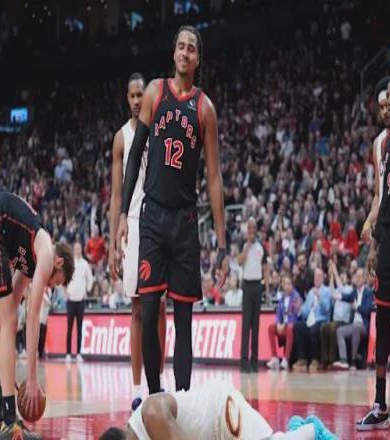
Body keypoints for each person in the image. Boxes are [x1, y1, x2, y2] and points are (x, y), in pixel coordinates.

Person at [116, 25, 227, 395]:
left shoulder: (205, 108)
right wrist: (122, 216)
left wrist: (222, 245)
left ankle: (183, 400)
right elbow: (135, 156)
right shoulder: (154, 91)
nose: (185, 52)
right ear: (174, 53)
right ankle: (153, 397)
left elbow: (214, 177)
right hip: (152, 216)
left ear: (197, 60)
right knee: (148, 313)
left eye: (191, 48)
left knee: (183, 319)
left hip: (184, 221)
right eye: (180, 46)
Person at [0, 190, 74, 440]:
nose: (50, 286)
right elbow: (32, 319)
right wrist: (31, 379)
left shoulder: (29, 262)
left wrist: (6, 371)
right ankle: (10, 422)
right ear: (58, 263)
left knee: (1, 322)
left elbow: (11, 305)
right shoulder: (46, 253)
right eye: (55, 282)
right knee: (9, 321)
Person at [108, 73, 167, 409]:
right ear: (126, 98)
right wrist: (113, 241)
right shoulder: (121, 138)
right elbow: (116, 194)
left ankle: (159, 382)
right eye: (131, 95)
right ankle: (135, 389)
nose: (135, 100)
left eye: (139, 94)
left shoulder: (158, 128)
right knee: (137, 309)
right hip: (131, 223)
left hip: (157, 221)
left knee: (160, 307)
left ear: (147, 96)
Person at [358, 76, 390, 430]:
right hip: (387, 236)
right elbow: (380, 194)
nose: (387, 102)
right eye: (384, 98)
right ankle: (382, 402)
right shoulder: (381, 143)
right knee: (385, 318)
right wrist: (373, 237)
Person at [99, 379, 337, 440]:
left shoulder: (151, 414)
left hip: (220, 410)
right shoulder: (139, 430)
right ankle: (294, 430)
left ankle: (310, 430)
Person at [237, 218, 270, 373]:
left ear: (256, 230)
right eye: (249, 228)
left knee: (255, 325)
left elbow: (266, 268)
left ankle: (254, 360)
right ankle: (243, 361)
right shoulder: (244, 245)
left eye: (253, 228)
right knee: (246, 325)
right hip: (247, 285)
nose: (251, 231)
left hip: (257, 286)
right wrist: (247, 247)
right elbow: (239, 261)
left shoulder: (262, 247)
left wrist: (267, 290)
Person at [332, 268, 373, 370]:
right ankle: (343, 360)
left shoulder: (368, 292)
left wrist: (357, 307)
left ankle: (353, 361)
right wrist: (338, 296)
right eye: (356, 277)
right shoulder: (354, 292)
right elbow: (347, 297)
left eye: (359, 277)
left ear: (364, 279)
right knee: (339, 331)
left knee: (356, 328)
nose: (357, 279)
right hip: (355, 324)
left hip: (364, 325)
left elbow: (367, 310)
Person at [293, 268, 332, 372]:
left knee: (314, 330)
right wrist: (300, 308)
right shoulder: (310, 292)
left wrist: (319, 296)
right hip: (310, 320)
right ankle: (302, 358)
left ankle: (316, 359)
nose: (316, 279)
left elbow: (327, 309)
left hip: (321, 320)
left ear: (323, 278)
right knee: (298, 327)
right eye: (315, 277)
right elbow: (306, 311)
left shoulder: (327, 291)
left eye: (319, 276)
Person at [320, 262, 352, 369]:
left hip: (344, 322)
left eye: (344, 276)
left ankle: (332, 359)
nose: (341, 277)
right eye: (340, 275)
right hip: (335, 321)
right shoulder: (338, 289)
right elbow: (331, 292)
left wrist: (335, 271)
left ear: (348, 278)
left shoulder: (349, 289)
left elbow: (341, 289)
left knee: (333, 328)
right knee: (324, 327)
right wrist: (332, 276)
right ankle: (324, 359)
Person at [65, 242, 93, 363]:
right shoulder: (70, 263)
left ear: (81, 250)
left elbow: (90, 279)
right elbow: (65, 278)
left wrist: (87, 290)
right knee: (69, 328)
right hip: (71, 300)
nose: (77, 250)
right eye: (75, 248)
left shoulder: (85, 264)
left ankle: (78, 353)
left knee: (79, 328)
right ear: (73, 250)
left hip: (81, 300)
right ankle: (68, 353)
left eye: (79, 248)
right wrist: (65, 290)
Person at [267, 274, 301, 370]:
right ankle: (274, 357)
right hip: (282, 325)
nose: (287, 286)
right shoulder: (282, 298)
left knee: (289, 328)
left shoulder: (296, 297)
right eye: (285, 284)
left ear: (292, 285)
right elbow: (278, 313)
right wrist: (278, 323)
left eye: (289, 284)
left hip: (291, 325)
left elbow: (295, 316)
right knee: (271, 328)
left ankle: (286, 359)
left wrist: (284, 324)